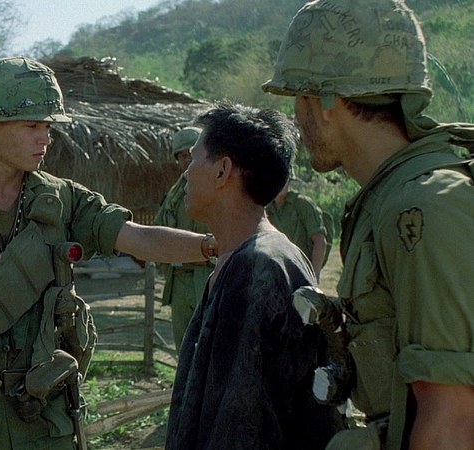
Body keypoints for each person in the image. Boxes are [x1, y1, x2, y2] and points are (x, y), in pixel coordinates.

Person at [0, 56, 215, 450]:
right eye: (32, 125)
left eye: (48, 126)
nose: (44, 138)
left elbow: (139, 238)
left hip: (41, 419)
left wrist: (211, 246)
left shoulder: (62, 200)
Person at [262, 1, 474, 448]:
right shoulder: (388, 198)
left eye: (298, 97)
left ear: (325, 103)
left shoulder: (422, 206)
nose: (296, 117)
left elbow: (453, 418)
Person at [165, 101, 345, 450]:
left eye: (194, 158)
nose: (186, 172)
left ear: (222, 171)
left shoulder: (256, 269)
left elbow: (241, 425)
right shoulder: (254, 257)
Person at [154, 127, 214, 350]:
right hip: (179, 277)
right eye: (181, 156)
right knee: (184, 347)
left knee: (210, 345)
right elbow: (160, 229)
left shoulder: (220, 188)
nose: (186, 160)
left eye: (190, 154)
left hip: (208, 276)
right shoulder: (176, 194)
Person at [266, 178, 329, 276]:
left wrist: (314, 276)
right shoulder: (266, 208)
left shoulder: (302, 204)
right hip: (275, 272)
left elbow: (320, 241)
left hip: (301, 271)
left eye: (284, 179)